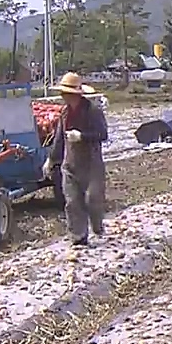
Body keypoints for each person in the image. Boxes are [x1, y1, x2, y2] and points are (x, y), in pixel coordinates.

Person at [43, 72, 108, 246]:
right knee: (72, 202)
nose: (64, 97)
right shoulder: (65, 113)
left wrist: (82, 136)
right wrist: (51, 160)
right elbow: (59, 139)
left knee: (92, 199)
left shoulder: (93, 111)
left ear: (76, 94)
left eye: (67, 93)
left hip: (91, 163)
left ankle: (97, 225)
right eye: (63, 93)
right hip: (70, 164)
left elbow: (103, 134)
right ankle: (78, 237)